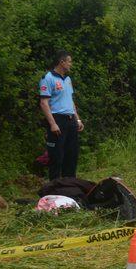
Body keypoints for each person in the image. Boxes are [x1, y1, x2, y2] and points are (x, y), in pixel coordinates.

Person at [39, 50, 84, 180]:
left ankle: (69, 186)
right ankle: (54, 188)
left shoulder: (68, 79)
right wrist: (52, 124)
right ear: (62, 62)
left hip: (71, 120)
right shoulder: (48, 78)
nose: (71, 64)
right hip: (57, 120)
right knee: (57, 156)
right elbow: (44, 103)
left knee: (71, 155)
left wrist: (78, 119)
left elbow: (70, 100)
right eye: (69, 61)